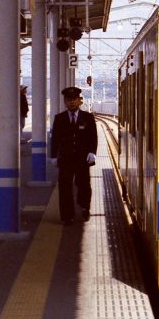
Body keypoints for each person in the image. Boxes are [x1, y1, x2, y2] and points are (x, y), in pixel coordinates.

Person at [50, 86, 97, 225]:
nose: (71, 102)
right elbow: (55, 138)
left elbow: (93, 137)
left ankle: (84, 206)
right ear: (65, 102)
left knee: (83, 185)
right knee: (65, 187)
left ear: (79, 101)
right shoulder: (59, 118)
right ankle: (67, 216)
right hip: (65, 159)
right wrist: (53, 155)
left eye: (74, 99)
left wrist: (92, 152)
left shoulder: (88, 118)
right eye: (68, 100)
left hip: (82, 159)